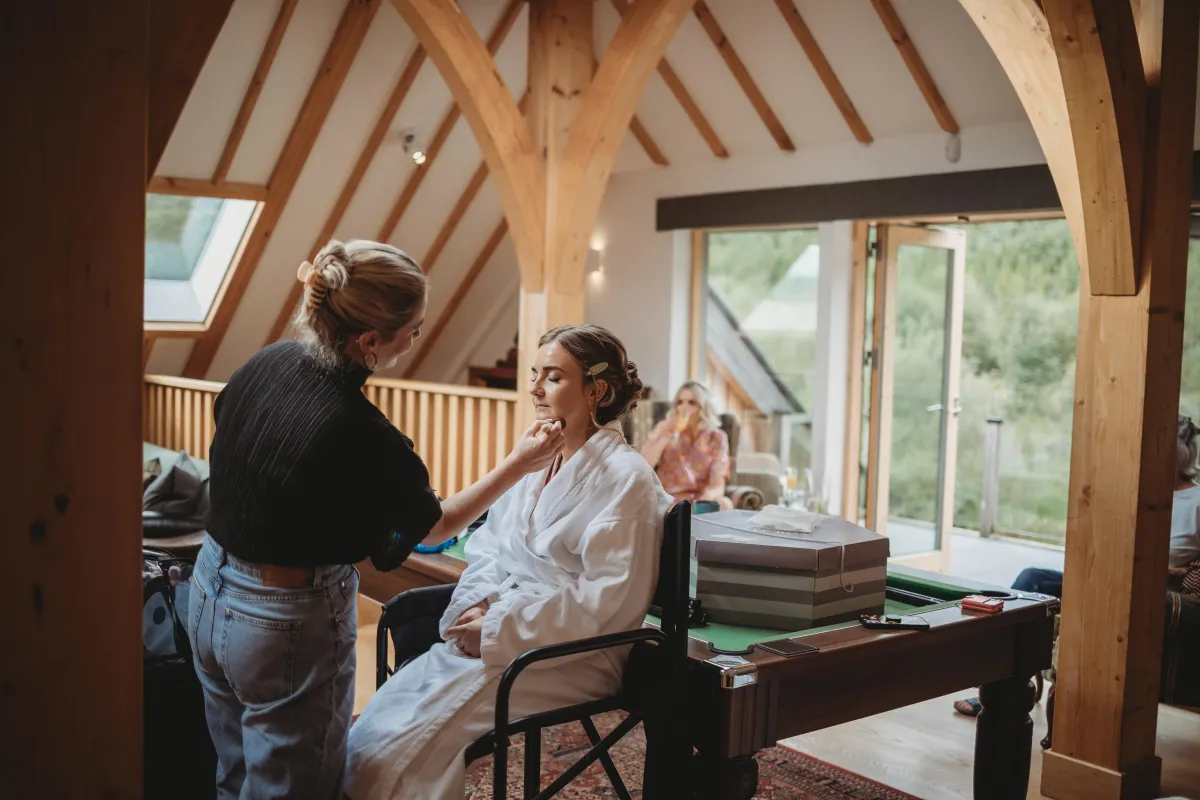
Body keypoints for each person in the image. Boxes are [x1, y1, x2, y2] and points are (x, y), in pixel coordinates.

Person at [186, 239, 566, 799]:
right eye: (413, 330)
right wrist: (519, 463)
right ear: (370, 342)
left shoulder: (267, 360)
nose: (417, 338)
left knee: (235, 774)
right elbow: (431, 528)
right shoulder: (363, 435)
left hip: (207, 590)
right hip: (280, 623)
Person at [345, 324, 672, 800]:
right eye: (536, 374)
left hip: (571, 652)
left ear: (597, 390)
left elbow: (607, 603)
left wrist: (500, 629)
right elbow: (489, 546)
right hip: (508, 631)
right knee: (377, 727)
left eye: (553, 377)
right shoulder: (538, 454)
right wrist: (476, 607)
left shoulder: (629, 480)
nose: (535, 387)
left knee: (401, 752)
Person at [952, 413, 1200, 717]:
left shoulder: (1197, 500)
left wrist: (1177, 572)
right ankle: (1001, 683)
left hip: (1153, 593)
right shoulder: (1137, 495)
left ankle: (1010, 686)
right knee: (1032, 579)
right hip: (1105, 578)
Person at [641, 380, 733, 509]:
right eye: (680, 402)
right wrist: (666, 436)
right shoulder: (664, 429)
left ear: (703, 407)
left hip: (700, 500)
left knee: (726, 504)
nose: (684, 408)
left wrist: (701, 503)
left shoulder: (716, 437)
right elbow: (644, 466)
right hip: (668, 499)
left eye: (692, 403)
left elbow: (717, 486)